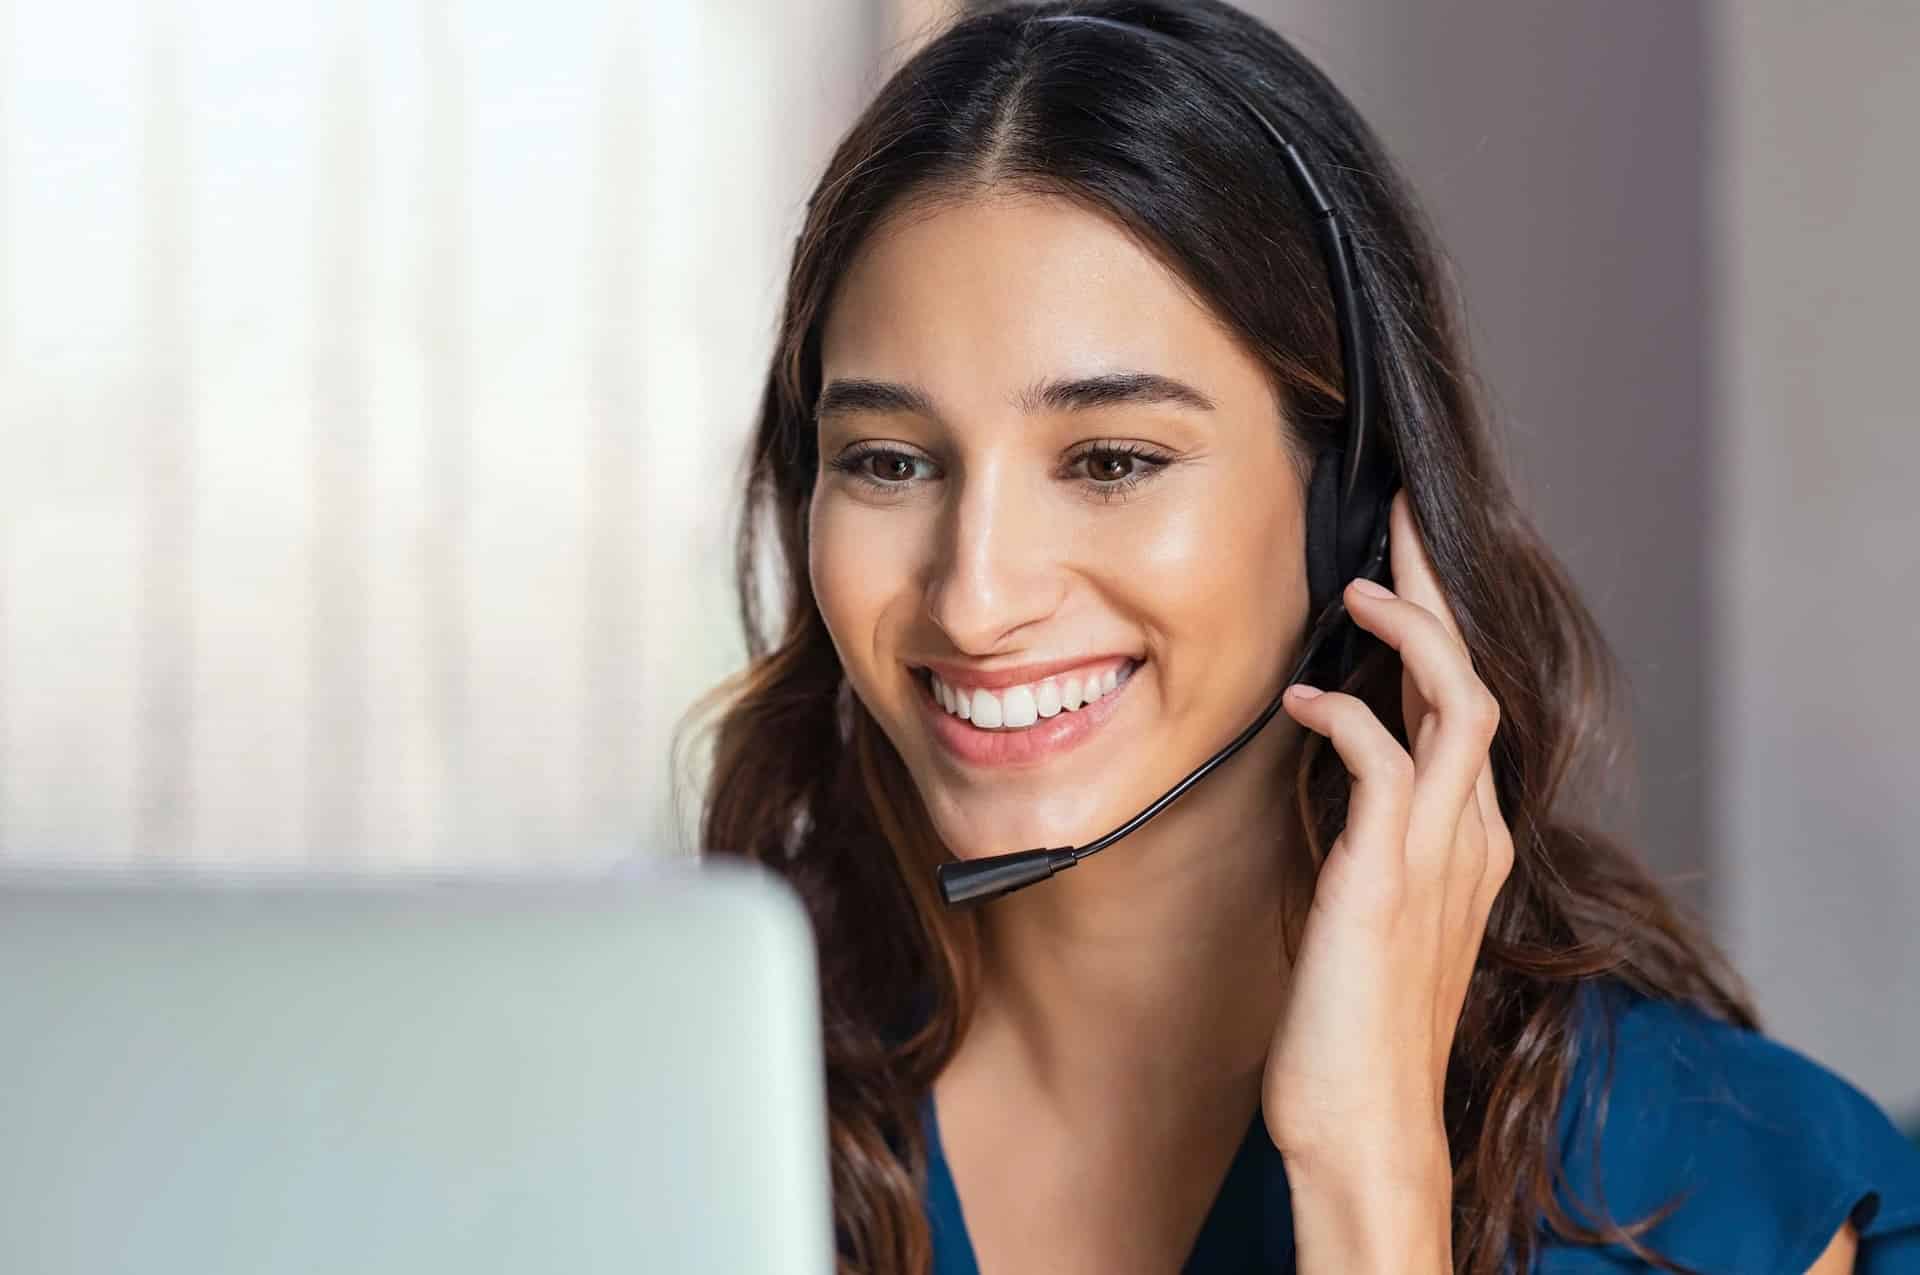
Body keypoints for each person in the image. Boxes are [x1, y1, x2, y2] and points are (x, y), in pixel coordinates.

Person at [691, 1, 1920, 1271]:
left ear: (1349, 511)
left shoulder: (1705, 1192)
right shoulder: (685, 1110)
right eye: (890, 460)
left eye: (1112, 459)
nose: (973, 598)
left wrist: (1368, 1175)